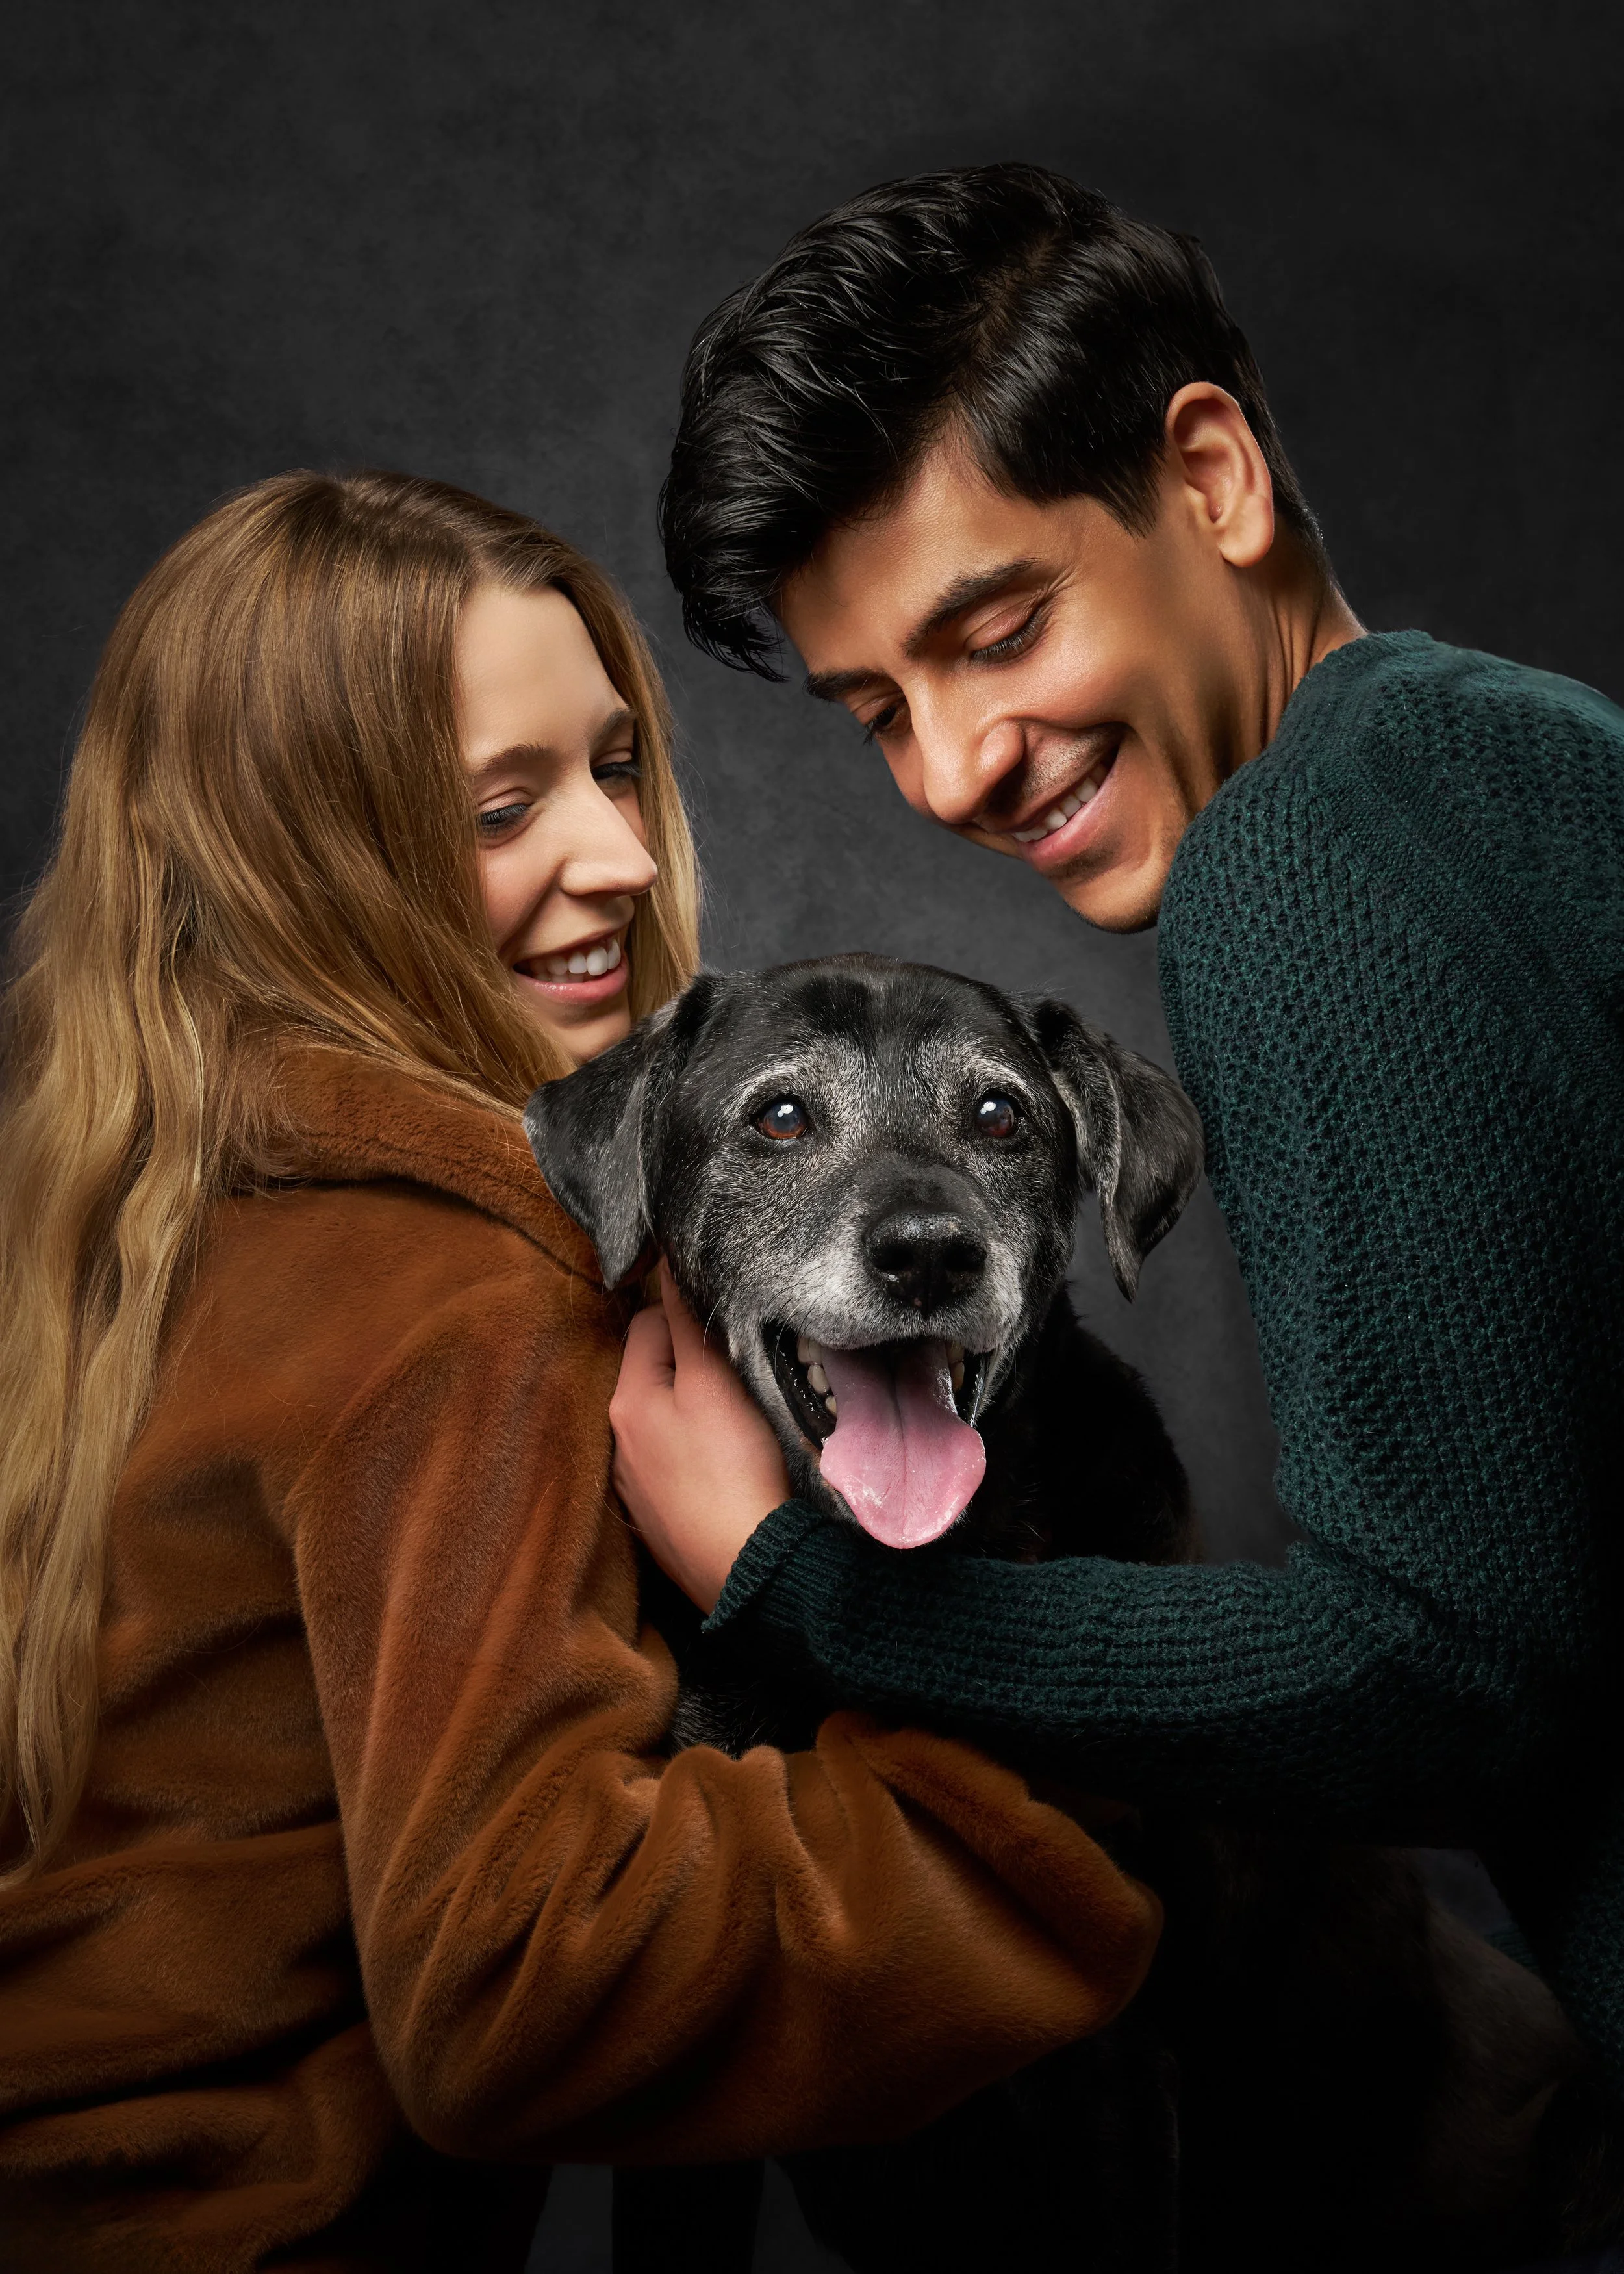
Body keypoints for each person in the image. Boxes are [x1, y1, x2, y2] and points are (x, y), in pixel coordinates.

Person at [0, 469, 1163, 2271]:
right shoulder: (461, 1292)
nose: (621, 855)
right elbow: (526, 1991)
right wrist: (1015, 1824)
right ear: (303, 859)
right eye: (501, 804)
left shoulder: (124, 1211)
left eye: (615, 764)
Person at [617, 163, 1624, 2143]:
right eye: (877, 707)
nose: (950, 770)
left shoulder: (1298, 859)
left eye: (996, 630)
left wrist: (797, 1583)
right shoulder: (1532, 752)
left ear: (1213, 477)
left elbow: (1447, 1671)